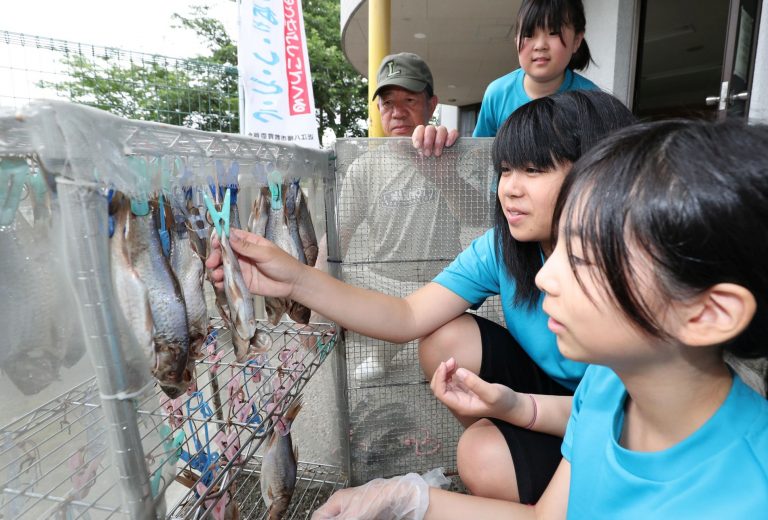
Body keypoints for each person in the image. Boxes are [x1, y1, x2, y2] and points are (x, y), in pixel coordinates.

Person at [311, 118, 768, 520]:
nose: (546, 276)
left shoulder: (748, 498)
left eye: (586, 258)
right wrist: (407, 500)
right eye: (561, 248)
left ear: (709, 312)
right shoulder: (610, 386)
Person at [206, 90, 636, 504]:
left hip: (626, 419)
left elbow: (632, 408)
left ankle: (550, 481)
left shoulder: (640, 273)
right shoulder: (504, 246)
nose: (510, 189)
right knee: (446, 344)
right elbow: (408, 315)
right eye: (505, 170)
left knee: (483, 457)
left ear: (600, 172)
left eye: (534, 170)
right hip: (558, 400)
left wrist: (521, 410)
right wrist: (293, 279)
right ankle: (520, 457)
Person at [325, 51, 465, 382]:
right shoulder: (363, 167)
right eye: (388, 103)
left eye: (409, 99)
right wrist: (309, 287)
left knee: (449, 369)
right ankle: (383, 348)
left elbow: (482, 221)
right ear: (378, 109)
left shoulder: (456, 154)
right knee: (343, 285)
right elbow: (337, 237)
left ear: (431, 105)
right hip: (385, 287)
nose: (398, 112)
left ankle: (436, 342)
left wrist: (445, 176)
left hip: (442, 286)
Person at [473, 0, 597, 138]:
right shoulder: (497, 94)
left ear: (576, 41)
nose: (540, 45)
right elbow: (478, 154)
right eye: (529, 34)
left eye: (553, 32)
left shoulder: (593, 100)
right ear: (516, 41)